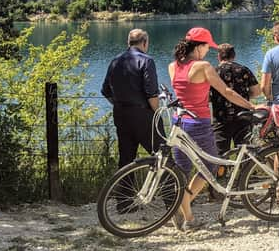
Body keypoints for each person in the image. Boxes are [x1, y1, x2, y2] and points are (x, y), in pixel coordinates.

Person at [169, 27, 259, 231]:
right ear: (199, 47)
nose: (208, 50)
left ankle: (187, 216)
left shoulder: (173, 66)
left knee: (181, 171)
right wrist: (251, 106)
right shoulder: (203, 66)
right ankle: (186, 205)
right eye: (207, 46)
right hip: (198, 123)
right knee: (208, 167)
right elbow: (226, 91)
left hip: (179, 122)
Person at [101, 29, 163, 169]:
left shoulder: (115, 61)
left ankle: (124, 190)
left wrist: (120, 103)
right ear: (145, 43)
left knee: (126, 161)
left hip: (121, 115)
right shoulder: (147, 61)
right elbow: (152, 93)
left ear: (128, 43)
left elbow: (106, 90)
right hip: (143, 116)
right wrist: (157, 113)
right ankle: (168, 189)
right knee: (162, 156)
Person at [212, 43, 262, 154]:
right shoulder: (244, 70)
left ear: (219, 57)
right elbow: (257, 91)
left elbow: (207, 96)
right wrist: (244, 97)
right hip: (243, 116)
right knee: (245, 152)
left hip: (221, 118)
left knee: (220, 154)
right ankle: (245, 170)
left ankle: (224, 171)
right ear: (234, 56)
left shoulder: (213, 72)